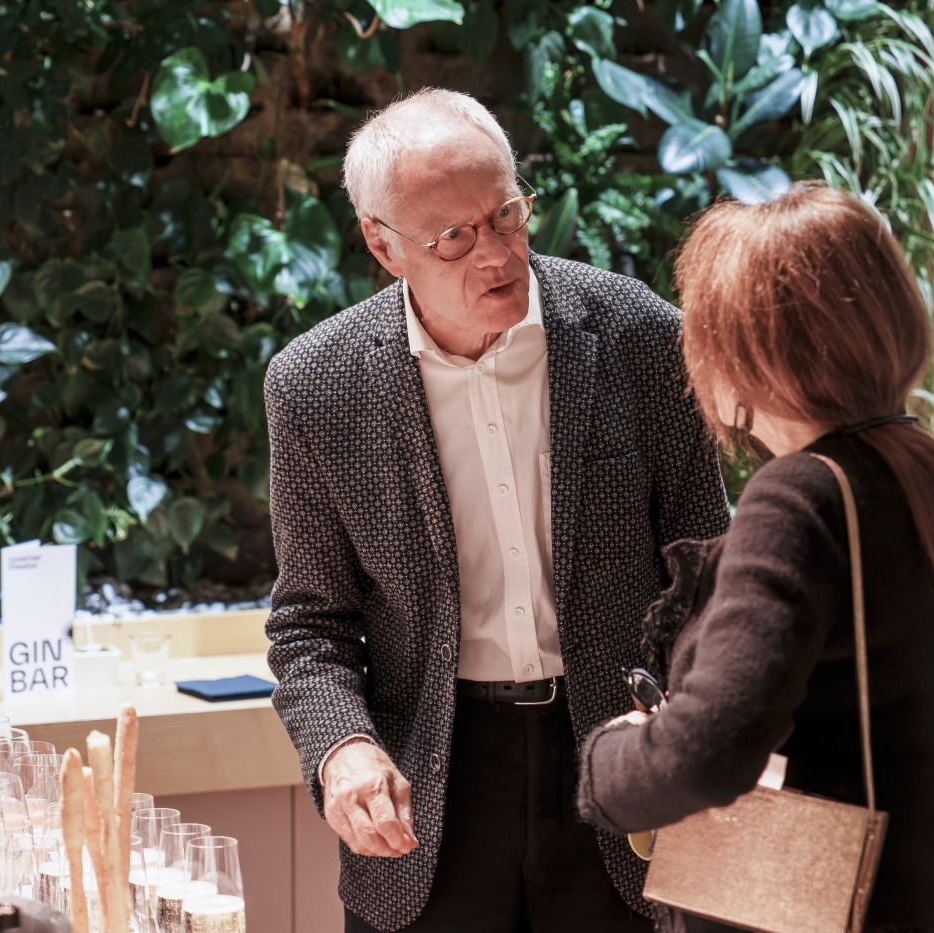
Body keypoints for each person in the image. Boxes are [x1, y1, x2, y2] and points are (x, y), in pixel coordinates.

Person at [264, 88, 729, 933]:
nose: (498, 255)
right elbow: (309, 623)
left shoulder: (641, 338)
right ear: (382, 243)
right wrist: (343, 749)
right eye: (453, 237)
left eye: (508, 215)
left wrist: (679, 713)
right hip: (432, 780)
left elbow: (708, 571)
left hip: (619, 757)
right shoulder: (314, 386)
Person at [576, 184, 934, 933]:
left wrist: (605, 760)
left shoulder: (800, 495)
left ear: (752, 350)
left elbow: (709, 754)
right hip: (919, 898)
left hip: (812, 906)